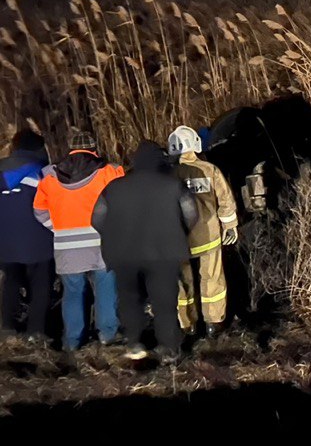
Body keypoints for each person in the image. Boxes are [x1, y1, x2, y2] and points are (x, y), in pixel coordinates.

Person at [92, 140, 197, 362]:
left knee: (130, 298)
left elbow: (96, 219)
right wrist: (179, 233)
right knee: (164, 301)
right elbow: (191, 214)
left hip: (124, 253)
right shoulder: (173, 185)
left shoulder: (113, 187)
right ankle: (169, 348)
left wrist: (114, 236)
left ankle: (134, 343)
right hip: (164, 252)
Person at [32, 129, 124, 349]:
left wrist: (57, 229)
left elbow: (39, 211)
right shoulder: (110, 172)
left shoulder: (50, 176)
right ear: (94, 149)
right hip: (102, 242)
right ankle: (108, 335)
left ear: (71, 150)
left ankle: (73, 340)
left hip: (66, 246)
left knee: (72, 292)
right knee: (106, 288)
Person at [168, 125, 238, 334]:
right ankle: (213, 323)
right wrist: (230, 227)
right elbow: (225, 201)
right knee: (212, 278)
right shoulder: (210, 170)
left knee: (183, 282)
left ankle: (187, 324)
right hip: (208, 234)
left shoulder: (168, 175)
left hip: (178, 237)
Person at [1, 131, 55, 342]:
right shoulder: (45, 173)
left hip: (4, 241)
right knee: (41, 284)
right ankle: (36, 330)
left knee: (11, 280)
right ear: (39, 149)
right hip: (38, 239)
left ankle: (8, 327)